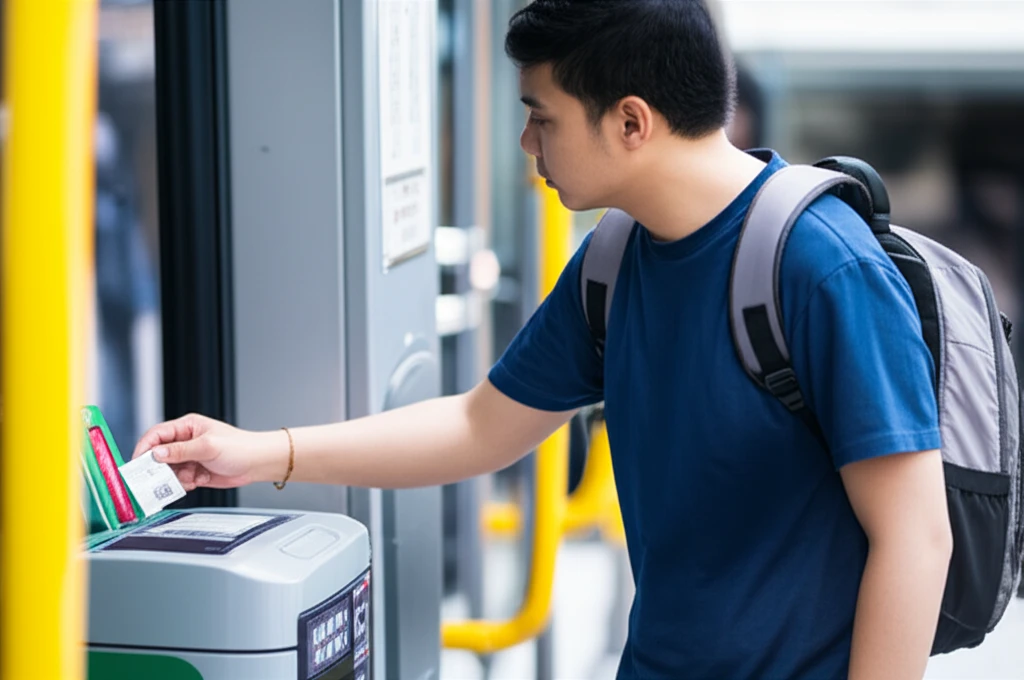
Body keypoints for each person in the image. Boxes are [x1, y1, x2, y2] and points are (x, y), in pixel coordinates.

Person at [134, 1, 953, 677]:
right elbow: (479, 426)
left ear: (631, 121)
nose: (529, 146)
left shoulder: (820, 266)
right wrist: (258, 451)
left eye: (542, 118)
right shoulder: (615, 259)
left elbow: (916, 537)